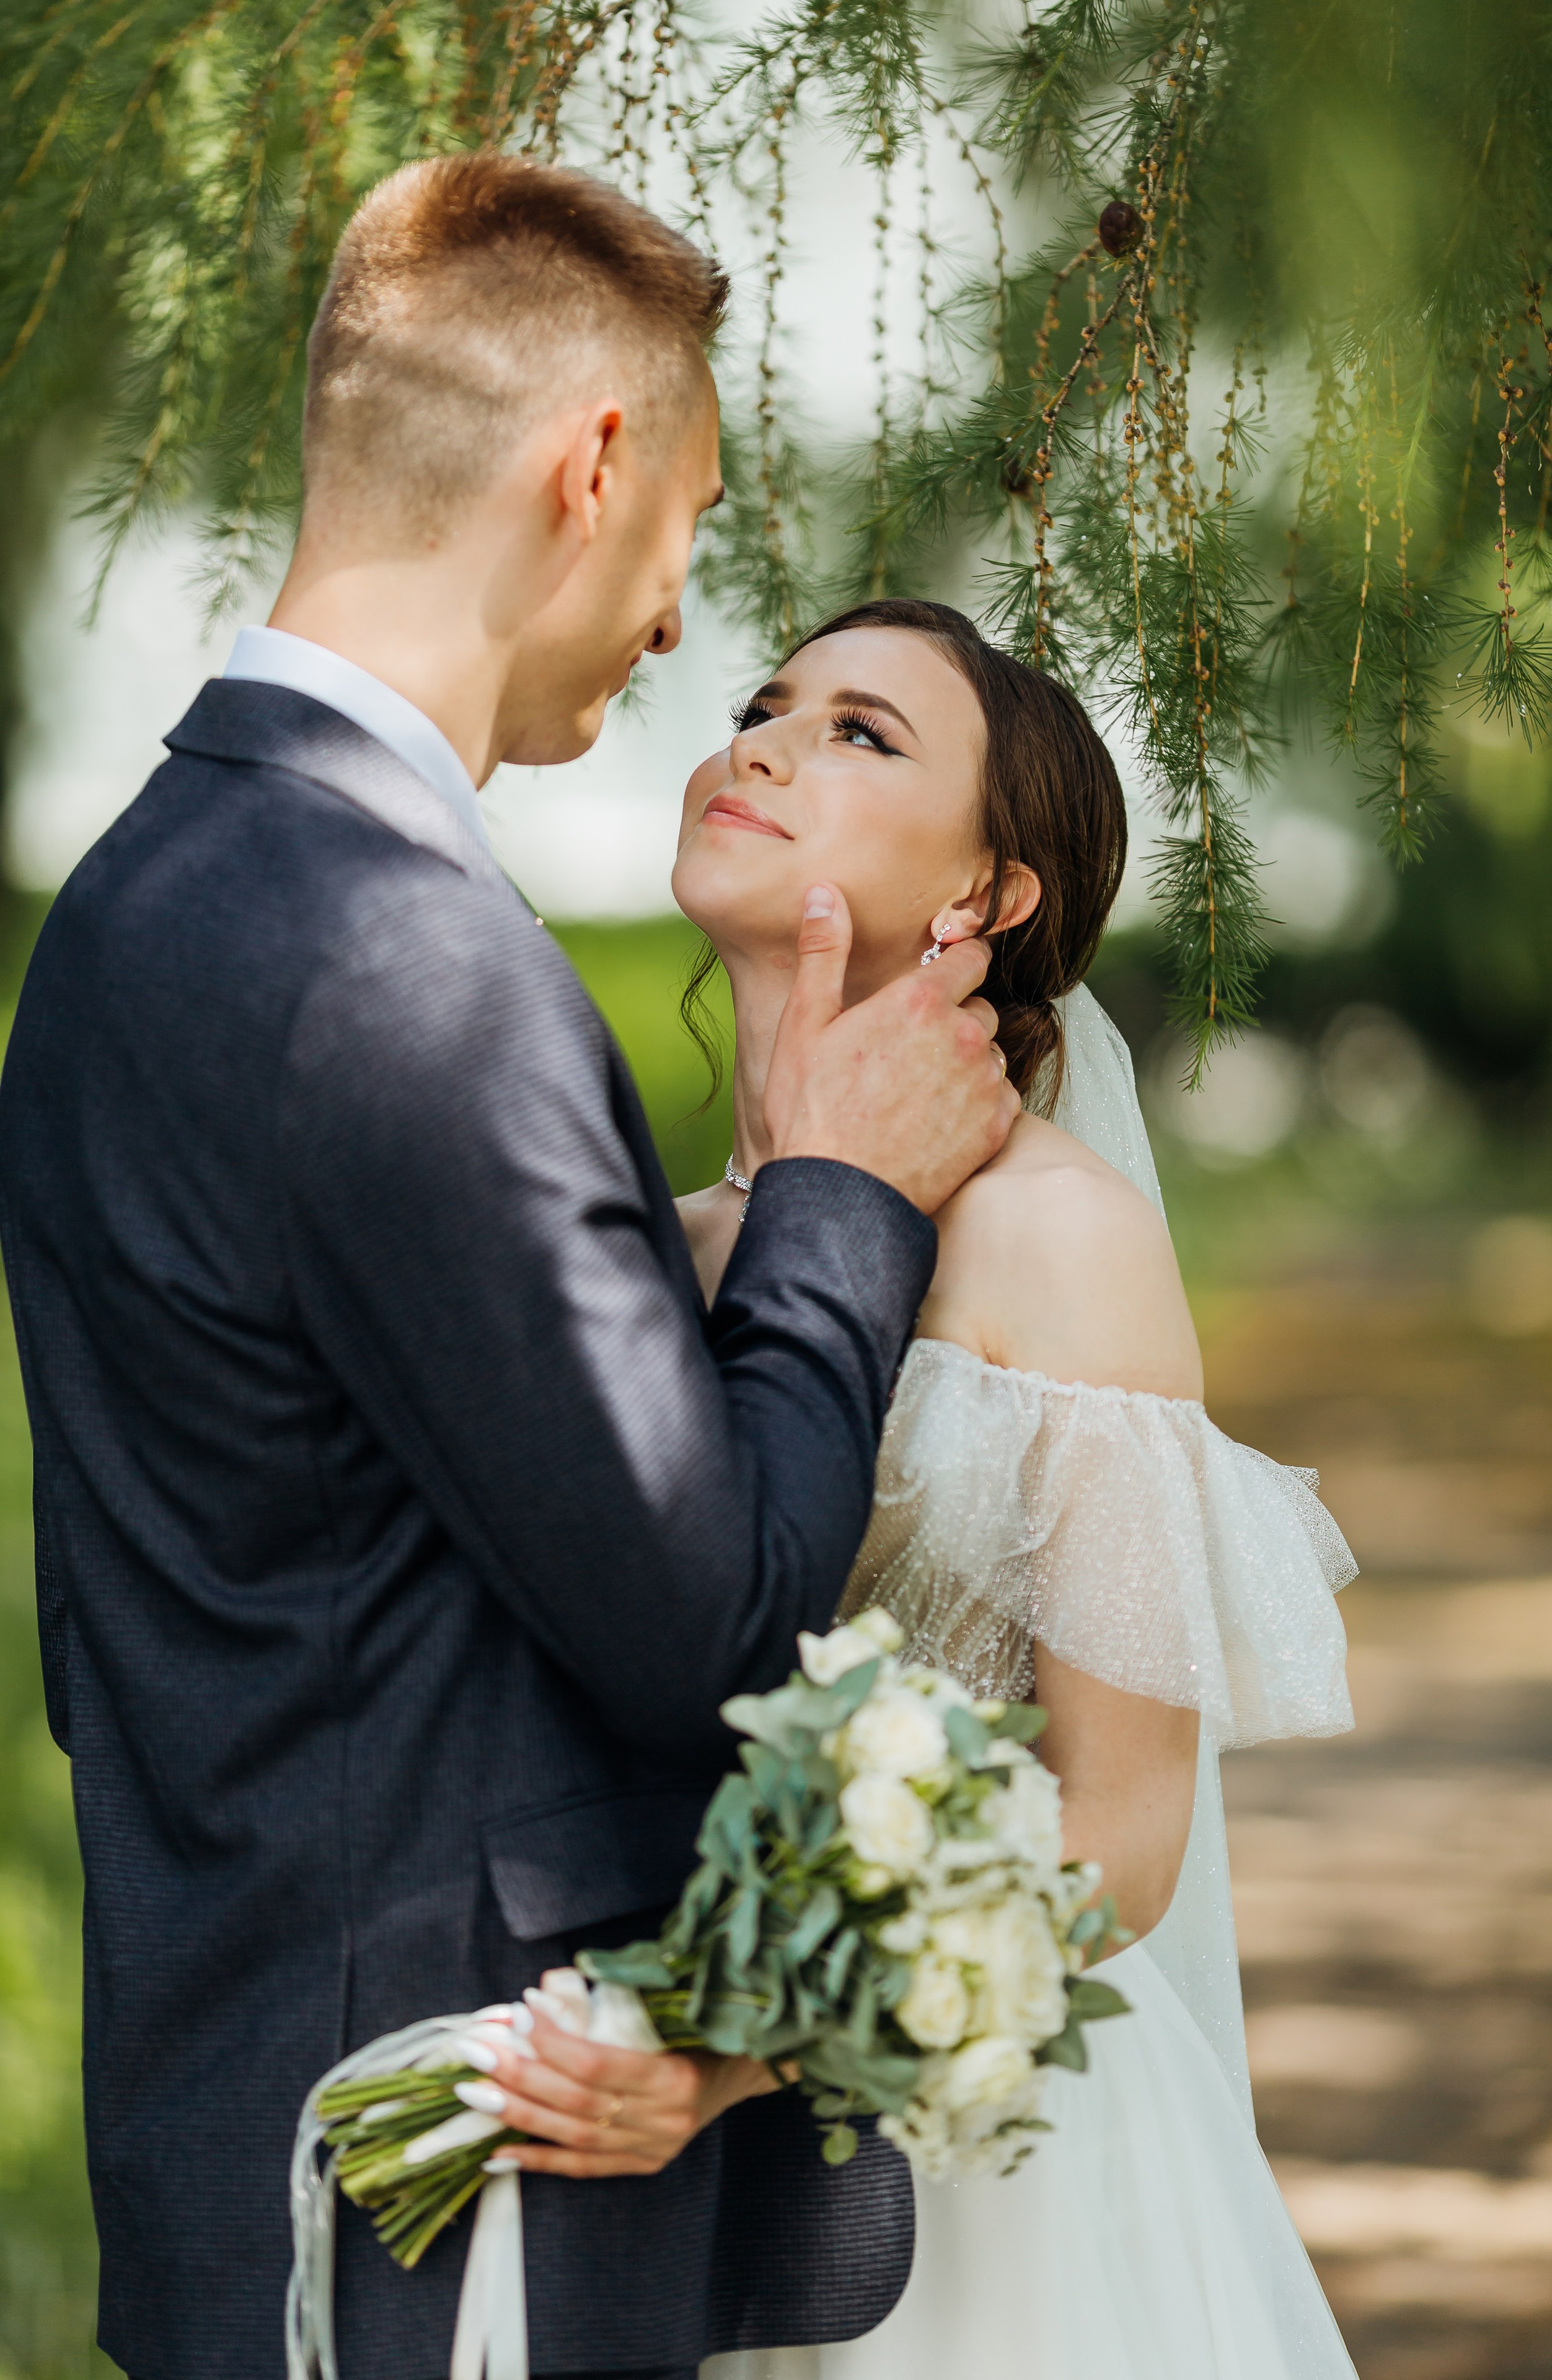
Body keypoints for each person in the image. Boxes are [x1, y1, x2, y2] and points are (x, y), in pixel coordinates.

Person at [0, 172, 1020, 2380]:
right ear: (595, 467)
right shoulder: (405, 956)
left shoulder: (127, 904)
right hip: (438, 2198)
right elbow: (703, 1613)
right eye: (692, 527)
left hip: (230, 2092)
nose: (676, 629)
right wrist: (839, 1194)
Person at [588, 595, 1356, 2377]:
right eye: (765, 706)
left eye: (862, 733)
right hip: (641, 2159)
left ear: (991, 897)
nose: (762, 744)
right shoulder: (647, 1242)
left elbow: (1121, 1839)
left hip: (971, 2176)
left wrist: (742, 2046)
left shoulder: (1057, 1241)